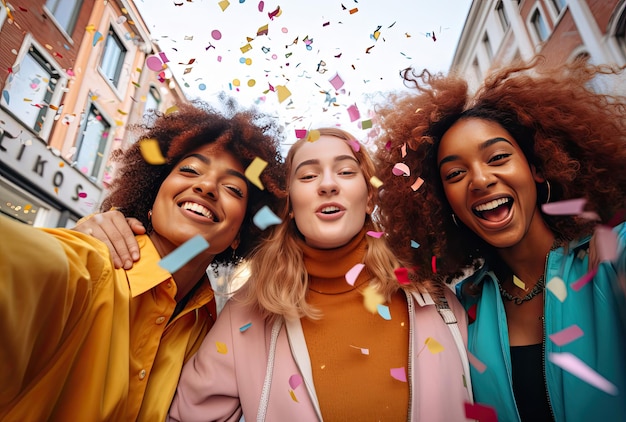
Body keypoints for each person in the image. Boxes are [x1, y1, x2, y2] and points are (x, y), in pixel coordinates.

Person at [374, 57, 626, 421]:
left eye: (498, 157)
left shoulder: (610, 258)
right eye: (456, 173)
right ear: (444, 204)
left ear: (536, 167)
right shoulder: (460, 311)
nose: (479, 180)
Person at [0, 101, 284, 421]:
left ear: (239, 234)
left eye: (233, 188)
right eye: (190, 170)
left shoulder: (208, 330)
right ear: (152, 198)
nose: (206, 186)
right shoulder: (89, 266)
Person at [166, 127, 474, 422]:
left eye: (345, 171)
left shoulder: (435, 299)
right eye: (308, 175)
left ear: (369, 198)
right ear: (289, 205)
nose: (327, 185)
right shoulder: (246, 312)